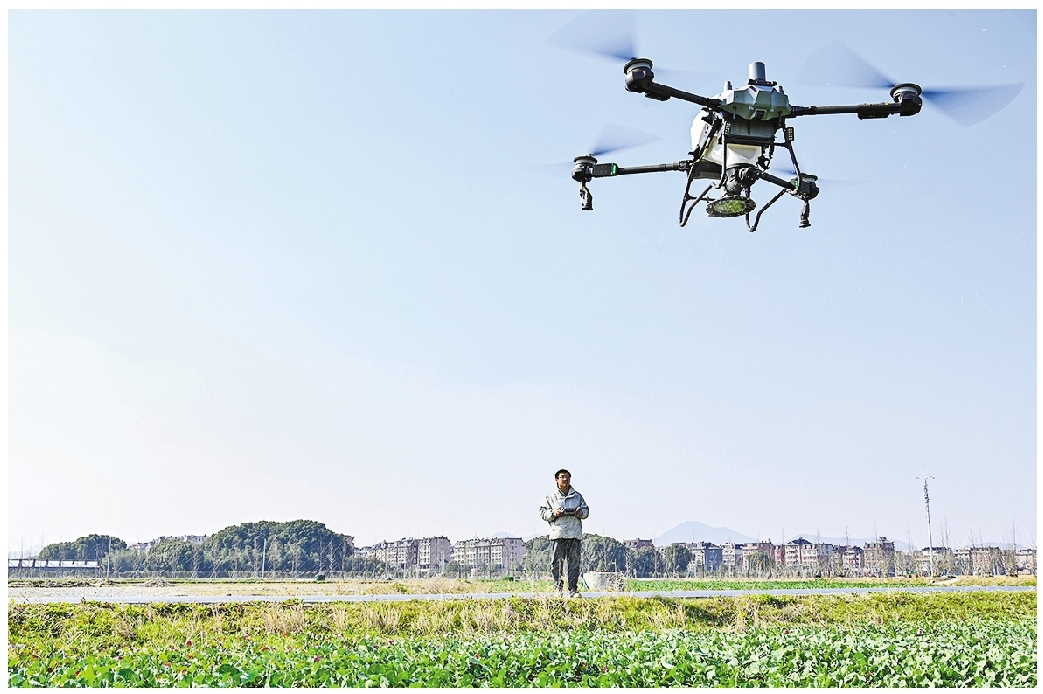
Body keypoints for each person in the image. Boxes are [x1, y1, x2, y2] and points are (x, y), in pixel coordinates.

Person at [539, 469, 589, 597]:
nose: (565, 479)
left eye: (567, 477)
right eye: (562, 477)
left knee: (574, 563)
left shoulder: (577, 496)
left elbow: (586, 511)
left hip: (574, 534)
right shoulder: (550, 497)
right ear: (557, 480)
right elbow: (542, 513)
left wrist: (580, 513)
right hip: (558, 534)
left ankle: (573, 590)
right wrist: (554, 513)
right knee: (557, 563)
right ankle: (558, 589)